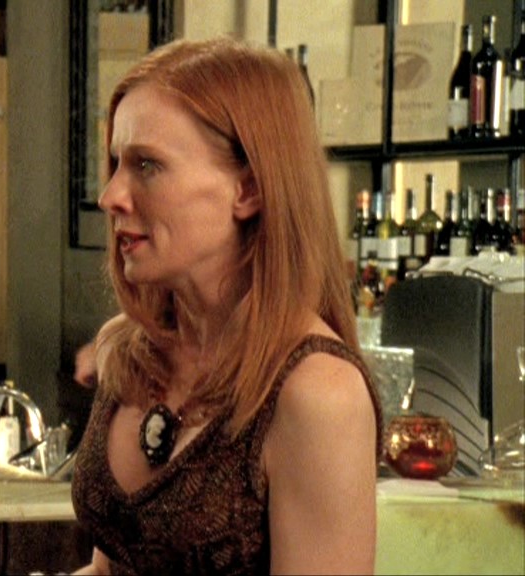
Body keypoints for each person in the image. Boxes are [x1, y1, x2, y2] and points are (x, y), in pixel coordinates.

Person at [70, 37, 382, 575]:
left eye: (147, 165)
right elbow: (108, 570)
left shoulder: (316, 393)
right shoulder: (129, 349)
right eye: (116, 163)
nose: (111, 196)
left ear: (249, 190)